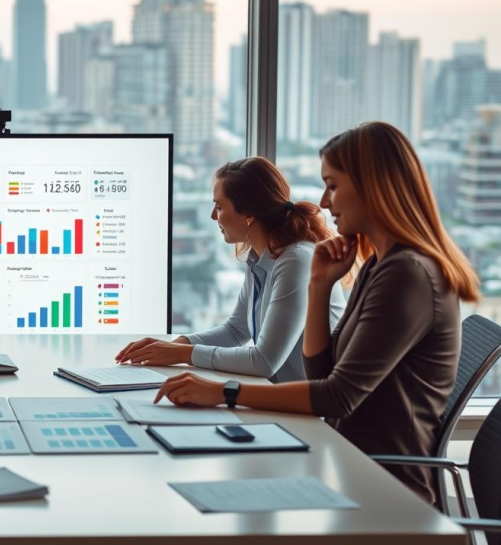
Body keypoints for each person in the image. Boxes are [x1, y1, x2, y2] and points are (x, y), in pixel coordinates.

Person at [154, 122, 479, 505]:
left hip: (385, 489)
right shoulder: (379, 266)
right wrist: (319, 287)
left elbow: (337, 396)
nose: (324, 202)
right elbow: (323, 372)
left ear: (373, 187)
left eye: (334, 185)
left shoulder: (408, 275)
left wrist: (223, 392)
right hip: (347, 463)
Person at [115, 157, 346, 382]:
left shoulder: (296, 260)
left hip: (314, 413)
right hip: (282, 401)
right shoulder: (260, 257)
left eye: (219, 206)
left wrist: (183, 354)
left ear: (249, 214)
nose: (213, 215)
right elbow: (236, 330)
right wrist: (175, 345)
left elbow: (264, 361)